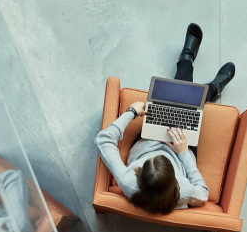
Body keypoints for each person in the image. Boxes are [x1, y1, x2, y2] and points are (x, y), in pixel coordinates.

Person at [96, 23, 236, 214]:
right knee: (187, 106)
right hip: (181, 149)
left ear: (139, 173)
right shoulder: (184, 191)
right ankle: (207, 85)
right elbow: (203, 193)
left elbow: (103, 140)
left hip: (147, 140)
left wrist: (131, 112)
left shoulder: (128, 181)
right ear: (175, 180)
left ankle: (195, 70)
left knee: (178, 99)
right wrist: (183, 153)